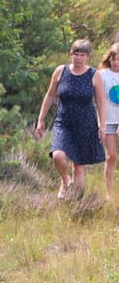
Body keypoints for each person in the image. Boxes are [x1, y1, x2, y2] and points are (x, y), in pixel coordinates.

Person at [35, 39, 104, 200]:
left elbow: (100, 101)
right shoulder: (61, 71)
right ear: (71, 54)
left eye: (82, 55)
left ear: (87, 57)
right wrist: (41, 119)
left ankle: (76, 203)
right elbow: (50, 95)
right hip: (63, 122)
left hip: (85, 123)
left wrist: (102, 124)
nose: (78, 58)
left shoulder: (94, 75)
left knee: (79, 166)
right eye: (76, 54)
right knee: (58, 155)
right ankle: (66, 180)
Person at [98, 44, 119, 201]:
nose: (117, 62)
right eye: (114, 59)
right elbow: (98, 99)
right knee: (111, 156)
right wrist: (101, 124)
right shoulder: (102, 75)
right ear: (110, 59)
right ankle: (109, 193)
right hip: (108, 120)